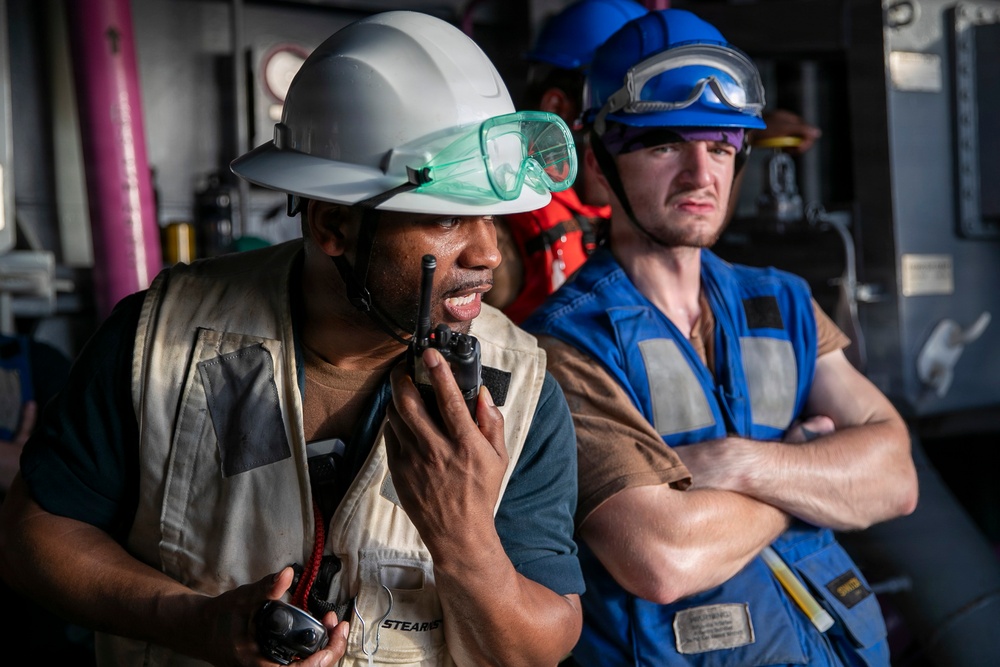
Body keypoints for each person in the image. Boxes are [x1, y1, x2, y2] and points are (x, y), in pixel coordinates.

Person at [0, 11, 584, 667]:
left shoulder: (517, 390)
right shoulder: (163, 341)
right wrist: (192, 622)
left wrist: (465, 538)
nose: (488, 253)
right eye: (447, 217)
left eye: (493, 216)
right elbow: (32, 536)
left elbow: (543, 643)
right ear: (332, 223)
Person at [522, 8, 918, 666]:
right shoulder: (568, 343)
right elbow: (663, 556)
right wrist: (811, 483)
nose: (700, 174)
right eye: (663, 145)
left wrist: (738, 463)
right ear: (599, 160)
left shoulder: (782, 300)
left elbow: (895, 477)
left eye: (721, 147)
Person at [486, 0, 646, 323]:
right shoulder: (499, 230)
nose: (639, 141)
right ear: (558, 109)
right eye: (620, 117)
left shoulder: (626, 211)